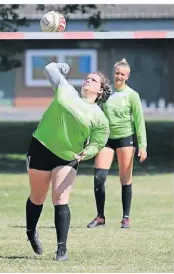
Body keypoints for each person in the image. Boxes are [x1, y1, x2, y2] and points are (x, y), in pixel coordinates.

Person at [25, 61, 112, 261]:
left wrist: (87, 152)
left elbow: (98, 142)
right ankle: (30, 232)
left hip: (68, 157)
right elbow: (48, 69)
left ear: (100, 91)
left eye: (93, 79)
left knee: (61, 199)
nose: (87, 80)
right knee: (37, 197)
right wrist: (60, 65)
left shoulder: (99, 117)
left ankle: (61, 250)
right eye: (87, 77)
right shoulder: (66, 90)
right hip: (41, 147)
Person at [87, 58, 147, 229]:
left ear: (127, 76)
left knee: (125, 179)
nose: (119, 76)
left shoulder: (132, 95)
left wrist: (142, 146)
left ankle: (125, 218)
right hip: (106, 138)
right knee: (99, 177)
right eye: (117, 73)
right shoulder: (106, 93)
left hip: (125, 138)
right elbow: (93, 111)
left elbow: (139, 121)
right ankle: (100, 217)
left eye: (122, 74)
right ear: (113, 74)